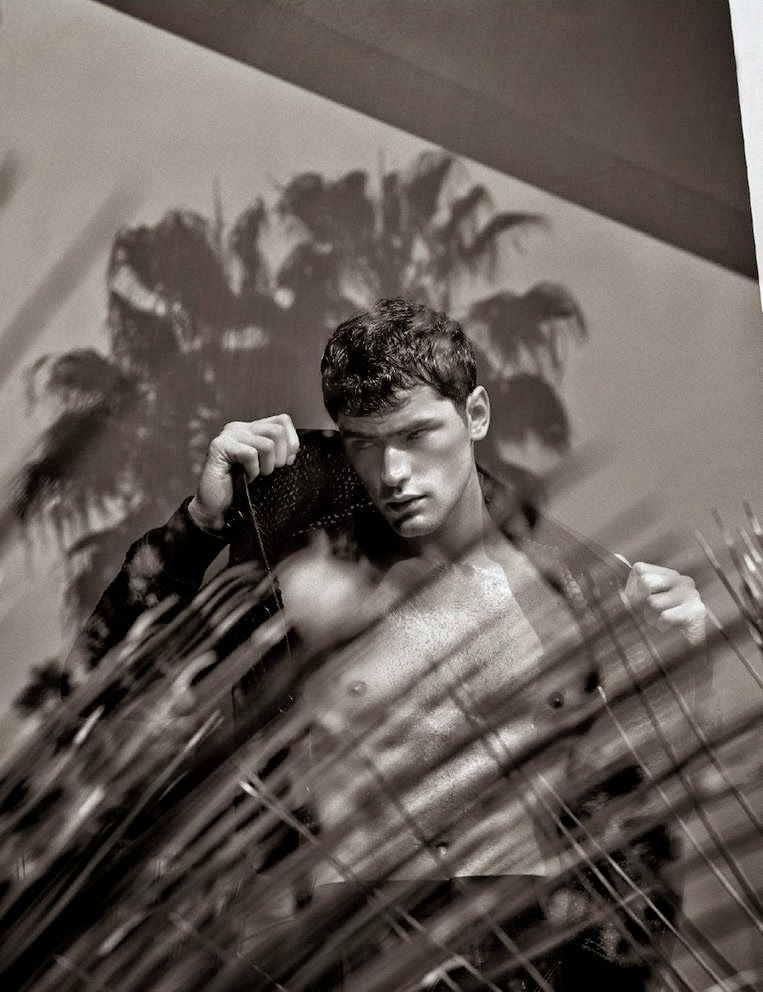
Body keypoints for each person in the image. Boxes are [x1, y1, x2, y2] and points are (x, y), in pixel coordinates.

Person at [70, 298, 707, 990]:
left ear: (475, 416)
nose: (393, 473)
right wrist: (198, 526)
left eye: (415, 434)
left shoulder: (572, 591)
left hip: (523, 953)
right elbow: (108, 669)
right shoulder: (308, 565)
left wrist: (684, 658)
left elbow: (639, 814)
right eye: (365, 443)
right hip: (340, 948)